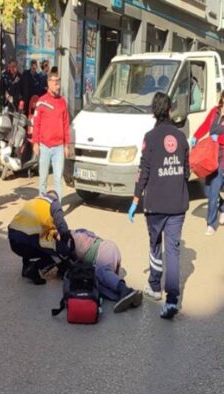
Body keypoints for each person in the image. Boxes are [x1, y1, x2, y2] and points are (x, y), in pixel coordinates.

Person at [128, 92, 190, 320]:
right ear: (171, 110)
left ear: (154, 111)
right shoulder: (181, 137)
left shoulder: (150, 137)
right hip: (177, 204)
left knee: (155, 245)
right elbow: (187, 171)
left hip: (155, 205)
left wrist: (135, 200)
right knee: (172, 250)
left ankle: (154, 286)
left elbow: (143, 171)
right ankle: (172, 299)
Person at [70, 229, 143, 313]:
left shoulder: (73, 235)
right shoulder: (77, 234)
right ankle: (126, 298)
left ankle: (126, 290)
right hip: (105, 256)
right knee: (93, 284)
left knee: (100, 271)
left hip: (105, 249)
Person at [8, 190, 71, 285]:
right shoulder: (54, 203)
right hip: (28, 243)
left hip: (13, 241)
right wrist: (65, 248)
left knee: (31, 237)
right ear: (56, 198)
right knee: (62, 250)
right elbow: (63, 229)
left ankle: (26, 267)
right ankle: (34, 268)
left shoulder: (34, 201)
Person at [190, 90, 224, 235]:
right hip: (210, 156)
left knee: (215, 189)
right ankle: (223, 207)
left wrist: (220, 139)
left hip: (222, 159)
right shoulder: (215, 112)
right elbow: (205, 126)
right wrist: (196, 136)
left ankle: (211, 224)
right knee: (207, 190)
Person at [33, 72, 70, 202]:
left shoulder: (62, 102)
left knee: (57, 179)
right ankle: (43, 207)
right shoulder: (41, 101)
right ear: (49, 83)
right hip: (44, 146)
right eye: (55, 82)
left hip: (59, 147)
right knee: (43, 179)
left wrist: (66, 145)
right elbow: (36, 123)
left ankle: (57, 209)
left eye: (58, 82)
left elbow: (66, 124)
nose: (57, 85)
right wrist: (35, 143)